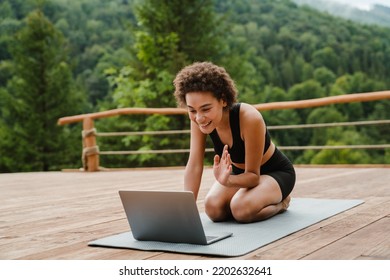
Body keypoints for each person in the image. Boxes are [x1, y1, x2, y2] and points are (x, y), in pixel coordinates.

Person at [173, 62, 295, 223]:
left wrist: (228, 181)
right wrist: (185, 210)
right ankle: (252, 199)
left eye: (206, 109)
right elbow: (195, 164)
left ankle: (281, 203)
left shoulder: (249, 118)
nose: (199, 118)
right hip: (239, 174)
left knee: (241, 210)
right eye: (192, 110)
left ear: (223, 100)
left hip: (274, 173)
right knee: (212, 208)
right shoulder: (198, 120)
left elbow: (253, 176)